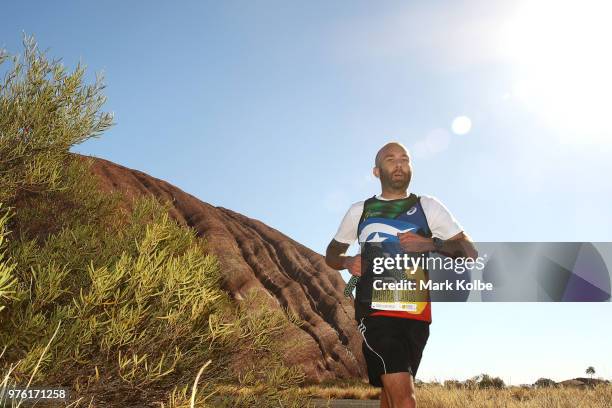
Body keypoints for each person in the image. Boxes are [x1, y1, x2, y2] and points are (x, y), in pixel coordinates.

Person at [325, 141, 477, 408]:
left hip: (416, 314)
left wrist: (430, 243)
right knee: (406, 400)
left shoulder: (428, 207)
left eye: (405, 159)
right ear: (376, 171)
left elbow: (469, 251)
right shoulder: (359, 211)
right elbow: (331, 253)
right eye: (390, 159)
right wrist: (348, 261)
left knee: (392, 395)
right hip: (375, 314)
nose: (399, 164)